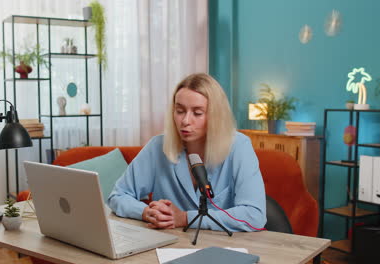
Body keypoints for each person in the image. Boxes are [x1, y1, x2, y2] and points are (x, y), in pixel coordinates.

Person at [107, 73, 266, 232]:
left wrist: (185, 218)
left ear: (216, 116)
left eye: (197, 113)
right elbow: (117, 196)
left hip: (226, 246)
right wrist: (145, 212)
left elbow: (254, 215)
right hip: (170, 245)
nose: (185, 121)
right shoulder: (157, 147)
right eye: (180, 110)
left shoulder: (239, 146)